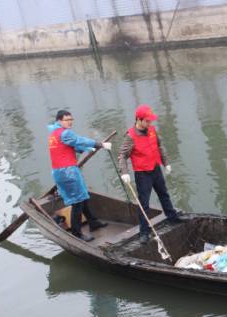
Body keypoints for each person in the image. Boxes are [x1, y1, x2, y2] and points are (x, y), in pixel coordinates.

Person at [118, 104, 181, 245]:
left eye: (150, 120)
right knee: (144, 204)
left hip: (155, 169)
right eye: (147, 120)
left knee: (164, 194)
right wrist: (124, 172)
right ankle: (144, 232)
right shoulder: (130, 136)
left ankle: (172, 217)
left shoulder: (152, 130)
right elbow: (122, 155)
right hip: (143, 174)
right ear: (138, 120)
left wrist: (166, 163)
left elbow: (159, 146)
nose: (149, 123)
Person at [48, 110, 111, 242]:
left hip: (60, 171)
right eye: (67, 119)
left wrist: (87, 148)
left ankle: (93, 222)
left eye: (71, 119)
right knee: (77, 202)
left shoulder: (54, 134)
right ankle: (77, 233)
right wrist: (98, 144)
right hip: (68, 172)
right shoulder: (66, 132)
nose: (70, 122)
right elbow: (78, 140)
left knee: (82, 197)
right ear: (59, 121)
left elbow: (71, 146)